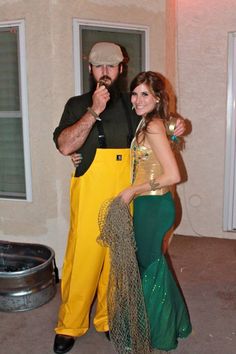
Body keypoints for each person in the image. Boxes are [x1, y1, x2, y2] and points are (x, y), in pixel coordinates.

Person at [53, 42, 185, 354]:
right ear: (90, 69)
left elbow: (159, 122)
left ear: (120, 69)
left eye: (111, 66)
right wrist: (93, 111)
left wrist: (176, 125)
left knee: (118, 260)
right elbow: (65, 146)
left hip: (127, 189)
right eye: (99, 66)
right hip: (90, 187)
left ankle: (108, 319)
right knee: (84, 260)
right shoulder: (77, 103)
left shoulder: (132, 101)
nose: (105, 72)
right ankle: (70, 326)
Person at [116, 71, 192, 352]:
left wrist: (133, 190)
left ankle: (154, 332)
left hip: (153, 205)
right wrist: (175, 125)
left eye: (144, 94)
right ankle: (173, 323)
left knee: (149, 267)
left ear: (157, 98)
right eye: (135, 93)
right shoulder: (150, 123)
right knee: (153, 265)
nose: (137, 99)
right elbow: (167, 134)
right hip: (151, 205)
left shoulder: (153, 126)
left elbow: (173, 175)